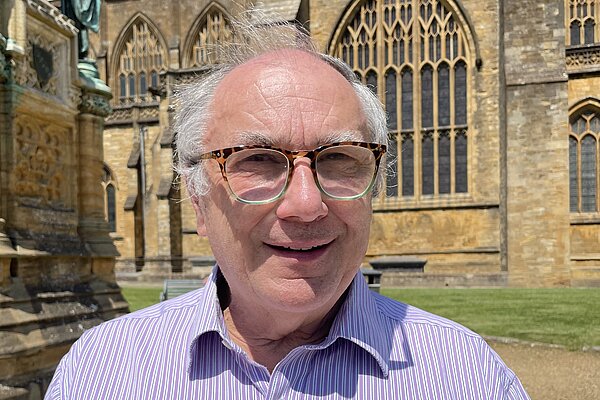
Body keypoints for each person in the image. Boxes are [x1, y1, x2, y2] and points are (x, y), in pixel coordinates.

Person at [45, 16, 530, 400]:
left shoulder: (469, 378)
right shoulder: (101, 373)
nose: (305, 204)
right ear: (197, 200)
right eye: (256, 160)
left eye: (339, 158)